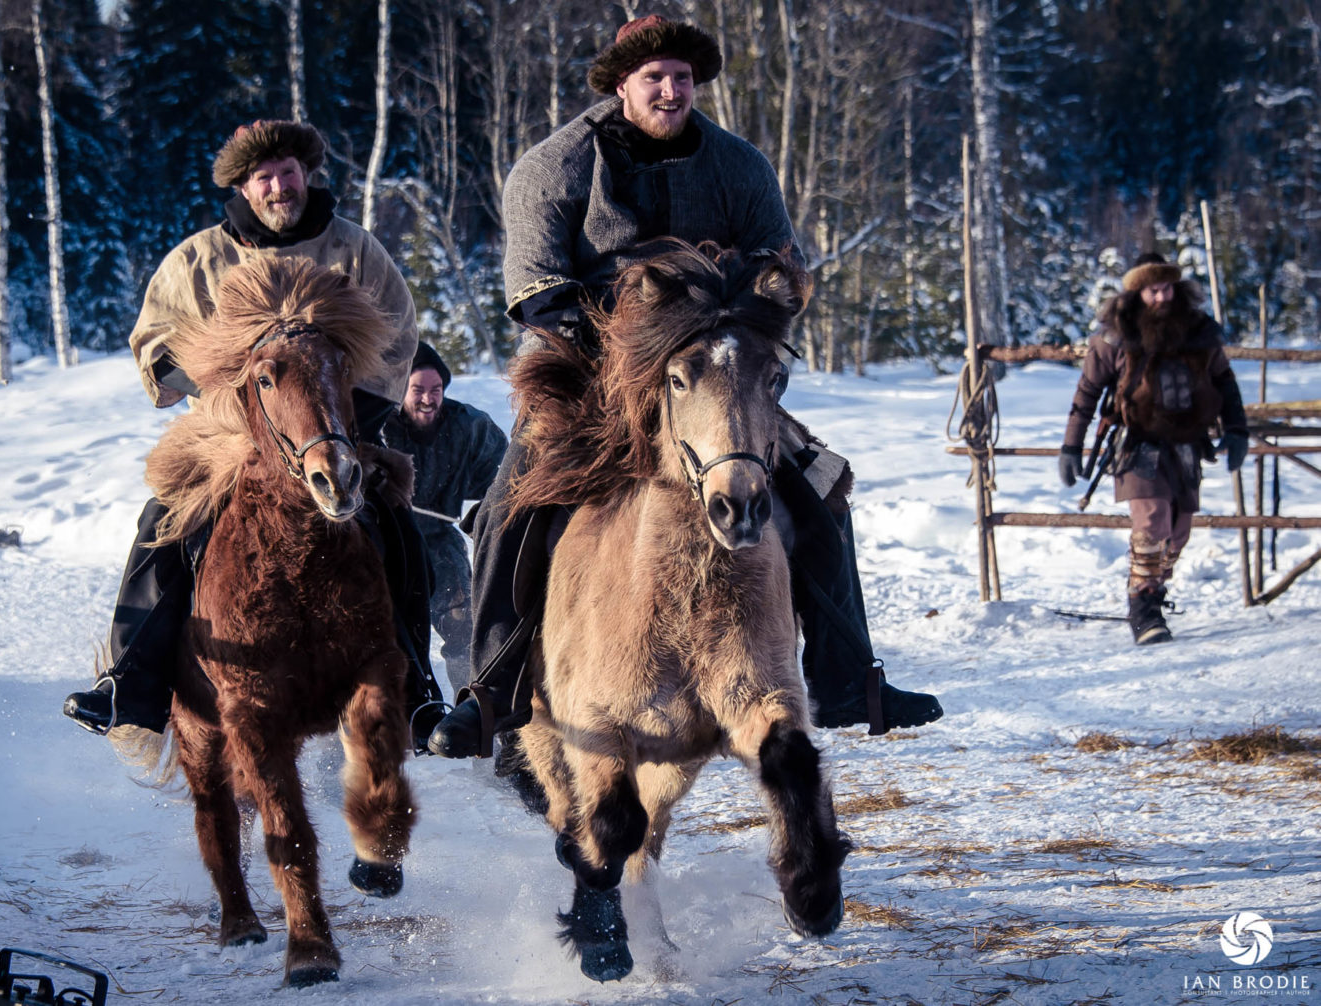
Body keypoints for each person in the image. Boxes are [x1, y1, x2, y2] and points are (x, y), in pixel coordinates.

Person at [427, 14, 943, 758]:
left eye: (682, 79)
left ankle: (841, 677)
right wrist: (621, 333)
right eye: (654, 80)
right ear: (621, 87)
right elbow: (535, 289)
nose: (671, 91)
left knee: (819, 484)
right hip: (593, 376)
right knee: (511, 504)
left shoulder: (739, 165)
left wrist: (741, 316)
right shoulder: (557, 164)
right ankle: (492, 693)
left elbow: (777, 268)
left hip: (715, 376)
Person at [63, 119, 445, 741]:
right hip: (223, 441)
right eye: (263, 177)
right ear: (242, 186)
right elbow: (155, 343)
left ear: (307, 175)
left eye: (288, 173)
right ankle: (129, 683)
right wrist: (216, 380)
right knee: (163, 524)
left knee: (396, 530)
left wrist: (342, 422)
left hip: (331, 432)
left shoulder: (357, 250)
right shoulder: (197, 259)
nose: (278, 187)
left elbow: (398, 339)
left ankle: (419, 688)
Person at [1060, 252, 1247, 644]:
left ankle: (1155, 592)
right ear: (1137, 293)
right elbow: (1088, 391)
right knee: (1152, 521)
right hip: (1137, 442)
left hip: (1187, 443)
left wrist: (1237, 429)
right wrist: (1071, 445)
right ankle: (1142, 607)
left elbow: (1225, 382)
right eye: (1152, 291)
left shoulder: (1198, 330)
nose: (1161, 298)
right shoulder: (1117, 334)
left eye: (1166, 289)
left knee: (1178, 532)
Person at [381, 343, 508, 693]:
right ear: (401, 390)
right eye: (418, 390)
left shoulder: (468, 426)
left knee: (464, 626)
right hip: (388, 542)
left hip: (439, 540)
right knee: (385, 630)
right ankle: (400, 712)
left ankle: (470, 706)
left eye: (435, 390)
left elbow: (506, 477)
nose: (427, 399)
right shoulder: (380, 425)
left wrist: (487, 512)